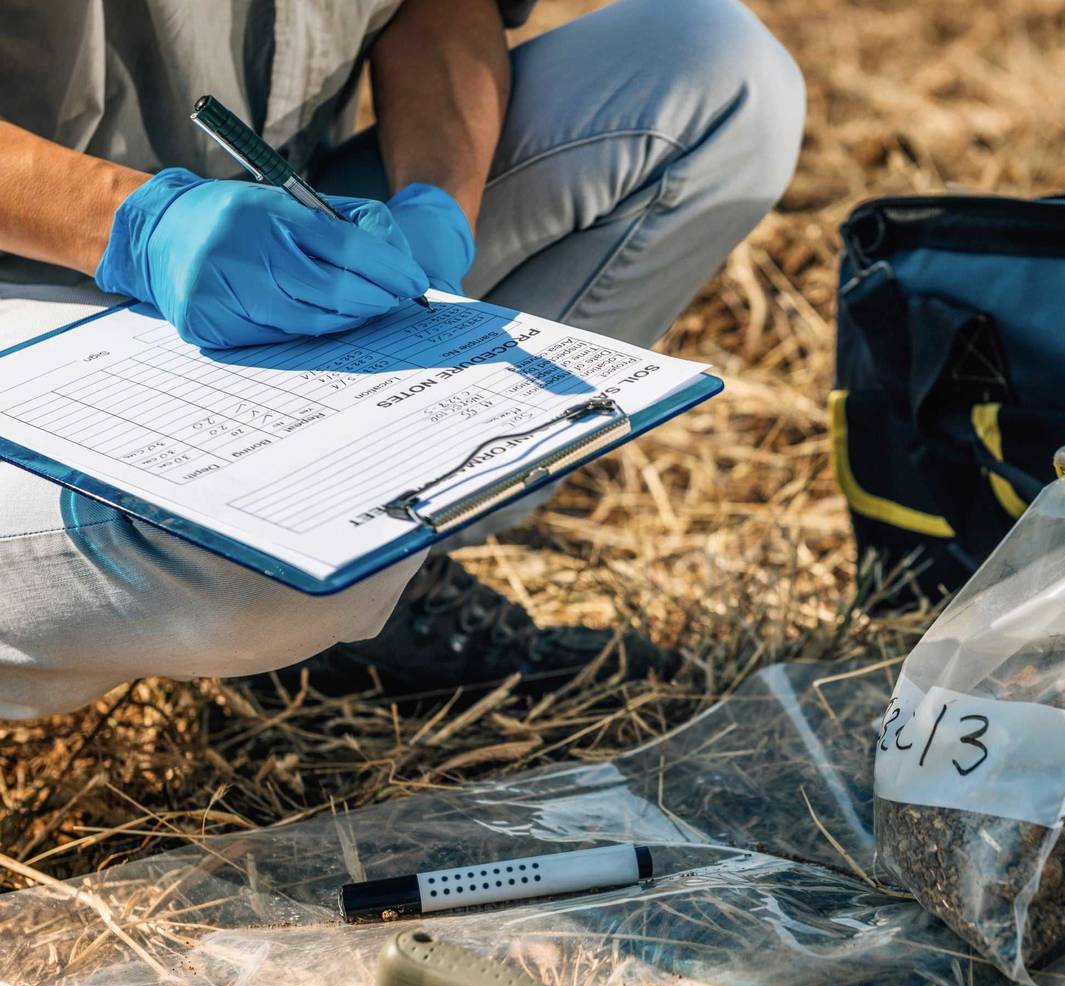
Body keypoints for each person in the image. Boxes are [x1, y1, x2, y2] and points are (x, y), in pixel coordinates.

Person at [0, 0, 805, 720]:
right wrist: (129, 224)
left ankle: (377, 602)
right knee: (281, 557)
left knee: (710, 67)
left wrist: (439, 198)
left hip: (289, 241)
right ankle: (307, 604)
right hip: (28, 287)